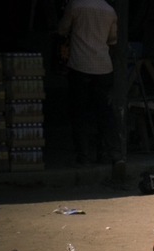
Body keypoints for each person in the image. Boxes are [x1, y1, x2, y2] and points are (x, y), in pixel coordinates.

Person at [57, 0, 119, 166]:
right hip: (103, 67)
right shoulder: (109, 10)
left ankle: (83, 155)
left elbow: (62, 30)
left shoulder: (75, 6)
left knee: (79, 112)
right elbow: (112, 40)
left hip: (80, 65)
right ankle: (107, 153)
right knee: (104, 113)